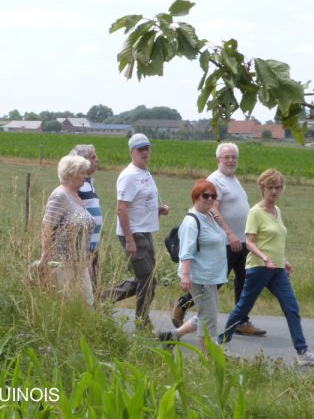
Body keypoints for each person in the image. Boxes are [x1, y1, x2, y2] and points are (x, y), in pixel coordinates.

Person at [219, 169, 314, 366]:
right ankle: (220, 345)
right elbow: (249, 242)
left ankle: (302, 352)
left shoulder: (277, 212)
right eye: (270, 187)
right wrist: (264, 257)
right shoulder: (255, 212)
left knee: (291, 308)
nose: (274, 192)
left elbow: (275, 239)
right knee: (243, 308)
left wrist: (283, 260)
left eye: (278, 187)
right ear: (262, 188)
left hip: (277, 270)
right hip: (259, 267)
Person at [172, 143, 267, 336]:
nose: (231, 160)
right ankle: (183, 304)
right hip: (225, 241)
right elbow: (213, 209)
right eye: (227, 157)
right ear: (219, 160)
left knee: (243, 280)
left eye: (234, 157)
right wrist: (229, 232)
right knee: (216, 282)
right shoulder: (215, 180)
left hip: (241, 240)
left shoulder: (233, 179)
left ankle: (241, 321)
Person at [107, 133, 169, 329]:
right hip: (134, 233)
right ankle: (142, 324)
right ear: (131, 152)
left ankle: (103, 297)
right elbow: (121, 209)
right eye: (140, 149)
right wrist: (129, 240)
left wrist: (156, 210)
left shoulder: (144, 172)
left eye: (147, 148)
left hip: (145, 230)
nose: (144, 152)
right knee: (148, 280)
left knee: (145, 278)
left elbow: (139, 203)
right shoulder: (129, 175)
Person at [171, 180, 227, 350]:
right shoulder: (191, 222)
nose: (210, 199)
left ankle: (172, 336)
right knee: (208, 318)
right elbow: (186, 252)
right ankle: (207, 359)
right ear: (196, 196)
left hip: (212, 276)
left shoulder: (210, 216)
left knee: (206, 314)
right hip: (200, 277)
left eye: (213, 196)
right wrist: (186, 276)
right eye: (205, 195)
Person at [38, 155, 96, 306]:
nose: (86, 176)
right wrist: (46, 258)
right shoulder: (60, 195)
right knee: (67, 306)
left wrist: (87, 259)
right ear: (70, 174)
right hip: (63, 265)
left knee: (87, 304)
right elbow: (47, 227)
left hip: (80, 263)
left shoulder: (76, 196)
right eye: (82, 173)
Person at [68, 144, 102, 294]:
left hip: (92, 248)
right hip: (84, 249)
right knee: (85, 291)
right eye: (93, 157)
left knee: (94, 289)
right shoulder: (78, 187)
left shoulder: (88, 184)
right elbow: (74, 221)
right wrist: (84, 251)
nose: (97, 160)